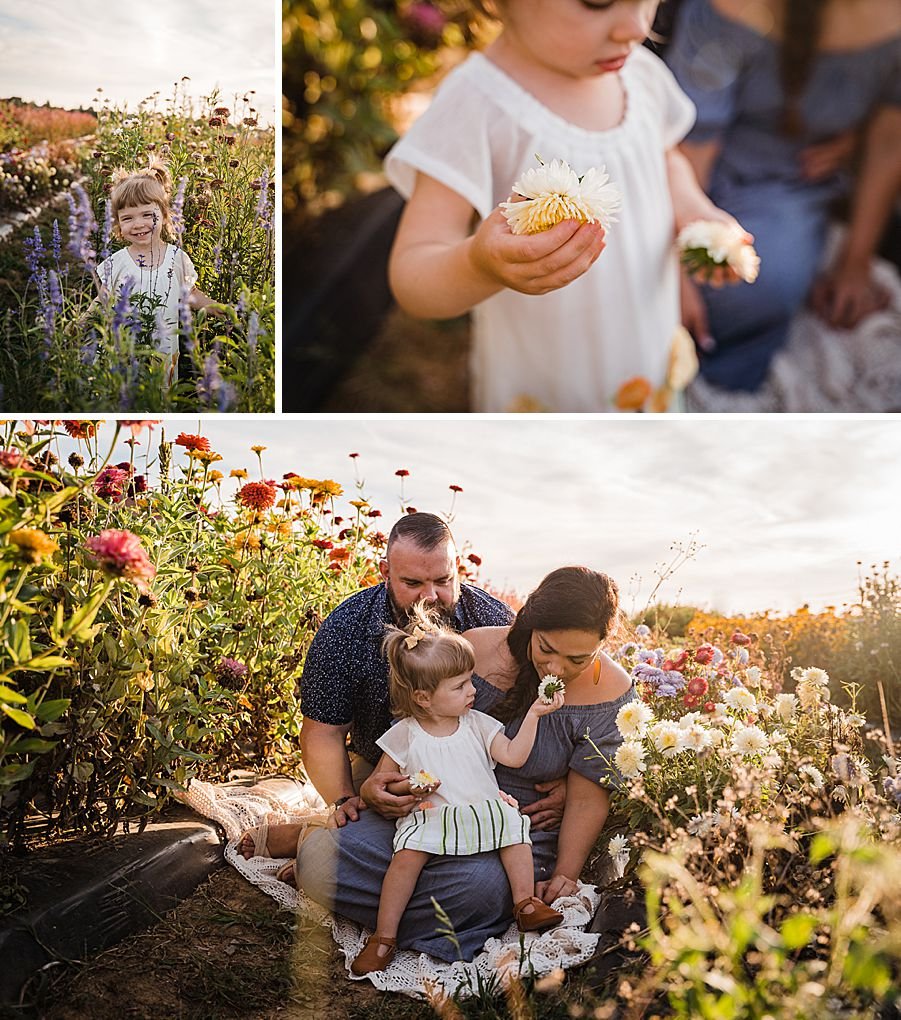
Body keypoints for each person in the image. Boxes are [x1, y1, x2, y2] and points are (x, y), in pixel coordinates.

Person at [245, 565, 634, 965]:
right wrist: (378, 787)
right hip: (429, 809)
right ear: (530, 624)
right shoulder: (476, 650)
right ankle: (342, 875)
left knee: (481, 891)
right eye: (546, 650)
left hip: (513, 829)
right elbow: (414, 729)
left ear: (603, 645)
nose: (556, 669)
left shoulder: (612, 694)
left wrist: (565, 873)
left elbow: (589, 798)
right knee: (327, 858)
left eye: (577, 659)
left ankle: (378, 911)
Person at [383, 0, 753, 412]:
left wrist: (693, 209)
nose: (634, 28)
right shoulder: (477, 105)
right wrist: (477, 265)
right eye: (598, 3)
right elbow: (412, 274)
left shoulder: (640, 74)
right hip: (552, 372)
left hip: (643, 338)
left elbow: (663, 158)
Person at [237, 511, 519, 862]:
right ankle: (324, 837)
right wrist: (344, 801)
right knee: (381, 829)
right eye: (413, 583)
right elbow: (323, 732)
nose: (430, 596)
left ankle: (315, 841)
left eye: (443, 580)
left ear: (457, 568)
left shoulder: (495, 622)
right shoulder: (346, 629)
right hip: (384, 767)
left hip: (483, 766)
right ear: (386, 573)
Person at [665, 0, 901, 391]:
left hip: (788, 184)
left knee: (755, 285)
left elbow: (891, 136)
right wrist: (676, 262)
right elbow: (692, 142)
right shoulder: (730, 11)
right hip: (692, 170)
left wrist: (855, 260)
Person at [351, 608, 566, 975]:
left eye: (470, 680)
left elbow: (512, 756)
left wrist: (533, 716)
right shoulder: (406, 733)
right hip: (433, 815)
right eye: (460, 686)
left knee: (514, 830)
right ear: (422, 698)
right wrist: (414, 783)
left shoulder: (476, 723)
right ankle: (384, 937)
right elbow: (385, 782)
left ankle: (525, 903)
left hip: (483, 810)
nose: (472, 691)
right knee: (404, 860)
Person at [93, 162, 223, 387]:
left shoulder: (177, 258)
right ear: (117, 224)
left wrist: (223, 310)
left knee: (158, 400)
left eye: (147, 215)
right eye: (128, 218)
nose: (139, 224)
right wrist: (77, 324)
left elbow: (190, 295)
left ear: (163, 216)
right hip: (124, 351)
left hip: (163, 354)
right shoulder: (115, 263)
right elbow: (101, 301)